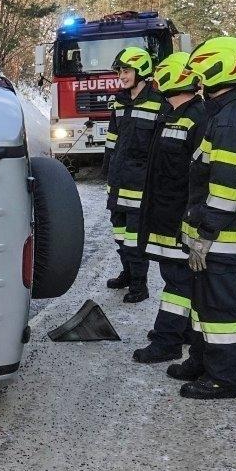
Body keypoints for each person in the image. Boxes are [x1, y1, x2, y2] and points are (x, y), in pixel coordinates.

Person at [168, 36, 236, 400]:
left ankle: (223, 379)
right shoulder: (228, 112)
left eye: (201, 69)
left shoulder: (230, 121)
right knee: (201, 303)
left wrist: (206, 230)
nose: (197, 77)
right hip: (216, 233)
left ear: (218, 68)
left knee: (219, 309)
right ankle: (202, 360)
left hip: (221, 236)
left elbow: (228, 186)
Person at [131, 51, 207, 364]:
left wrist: (192, 219)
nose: (155, 79)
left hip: (179, 219)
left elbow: (199, 178)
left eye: (161, 74)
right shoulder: (172, 114)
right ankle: (184, 329)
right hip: (162, 215)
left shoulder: (196, 119)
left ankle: (167, 340)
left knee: (178, 280)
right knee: (173, 276)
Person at [102, 46, 167, 304]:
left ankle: (140, 286)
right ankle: (127, 274)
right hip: (118, 180)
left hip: (140, 184)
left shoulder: (159, 102)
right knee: (119, 233)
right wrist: (108, 171)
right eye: (120, 71)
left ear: (141, 71)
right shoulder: (119, 101)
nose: (122, 75)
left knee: (134, 238)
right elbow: (112, 139)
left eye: (126, 70)